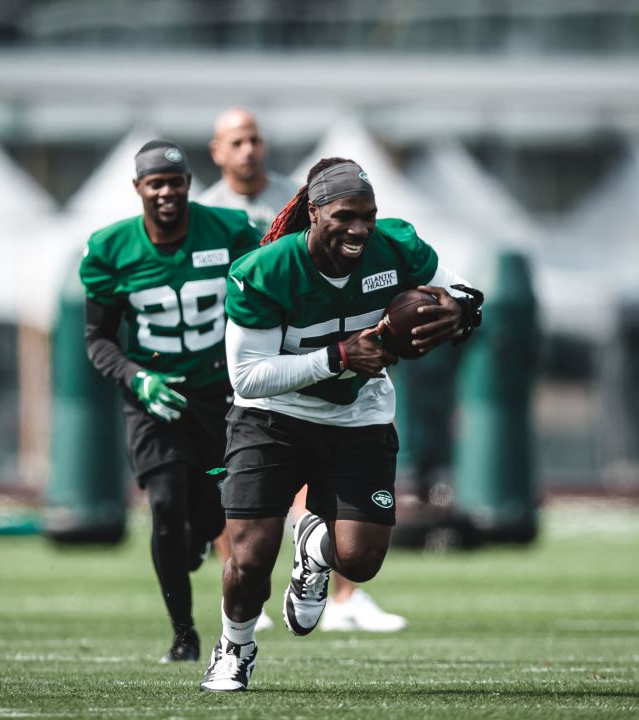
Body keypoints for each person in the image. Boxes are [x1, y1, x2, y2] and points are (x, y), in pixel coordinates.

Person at [199, 157, 484, 692]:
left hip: (359, 414)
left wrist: (462, 311)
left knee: (363, 558)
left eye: (368, 216)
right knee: (250, 555)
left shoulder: (395, 246)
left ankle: (312, 549)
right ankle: (234, 649)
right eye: (346, 216)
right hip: (273, 419)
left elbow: (462, 290)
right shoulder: (263, 270)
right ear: (314, 212)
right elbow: (246, 377)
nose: (359, 228)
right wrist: (337, 357)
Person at [197, 107, 408, 634]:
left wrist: (454, 307)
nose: (249, 149)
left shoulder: (303, 200)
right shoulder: (205, 213)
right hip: (245, 353)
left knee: (346, 513)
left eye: (255, 139)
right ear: (217, 151)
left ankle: (342, 592)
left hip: (332, 366)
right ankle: (248, 602)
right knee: (243, 500)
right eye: (237, 141)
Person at [80, 140, 261, 664]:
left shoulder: (229, 231)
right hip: (153, 396)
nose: (166, 191)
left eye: (175, 181)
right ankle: (184, 634)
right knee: (164, 505)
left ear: (188, 185)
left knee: (208, 515)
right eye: (155, 183)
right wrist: (137, 379)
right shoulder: (111, 248)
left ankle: (199, 535)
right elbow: (98, 339)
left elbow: (261, 299)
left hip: (215, 392)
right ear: (138, 188)